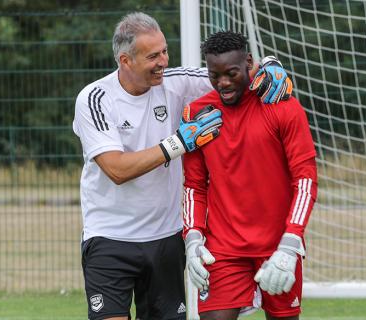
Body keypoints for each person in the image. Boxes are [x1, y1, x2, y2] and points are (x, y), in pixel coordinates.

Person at [73, 11, 292, 320]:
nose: (163, 61)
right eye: (153, 56)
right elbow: (117, 169)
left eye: (164, 50)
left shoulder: (176, 82)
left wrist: (269, 65)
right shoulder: (95, 99)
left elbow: (234, 72)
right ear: (125, 61)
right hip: (110, 238)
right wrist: (178, 143)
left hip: (166, 237)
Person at [183, 31, 317, 320]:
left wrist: (291, 243)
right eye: (214, 75)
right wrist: (193, 239)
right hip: (222, 248)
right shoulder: (197, 114)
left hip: (277, 245)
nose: (223, 83)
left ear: (249, 63)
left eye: (231, 73)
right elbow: (194, 186)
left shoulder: (282, 104)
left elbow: (305, 178)